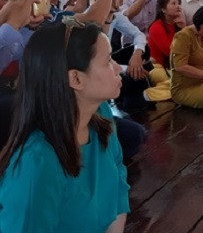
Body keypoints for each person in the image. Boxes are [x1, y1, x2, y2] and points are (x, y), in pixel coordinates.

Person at [0, 19, 129, 232]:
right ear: (76, 78)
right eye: (107, 61)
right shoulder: (38, 164)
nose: (117, 68)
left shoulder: (100, 115)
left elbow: (118, 183)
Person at [144, 0, 185, 102]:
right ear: (163, 9)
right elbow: (170, 52)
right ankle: (150, 94)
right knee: (185, 83)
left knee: (187, 81)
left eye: (179, 3)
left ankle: (164, 90)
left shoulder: (178, 24)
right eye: (173, 3)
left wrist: (184, 28)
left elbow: (191, 47)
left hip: (175, 65)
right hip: (157, 67)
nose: (178, 6)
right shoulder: (156, 27)